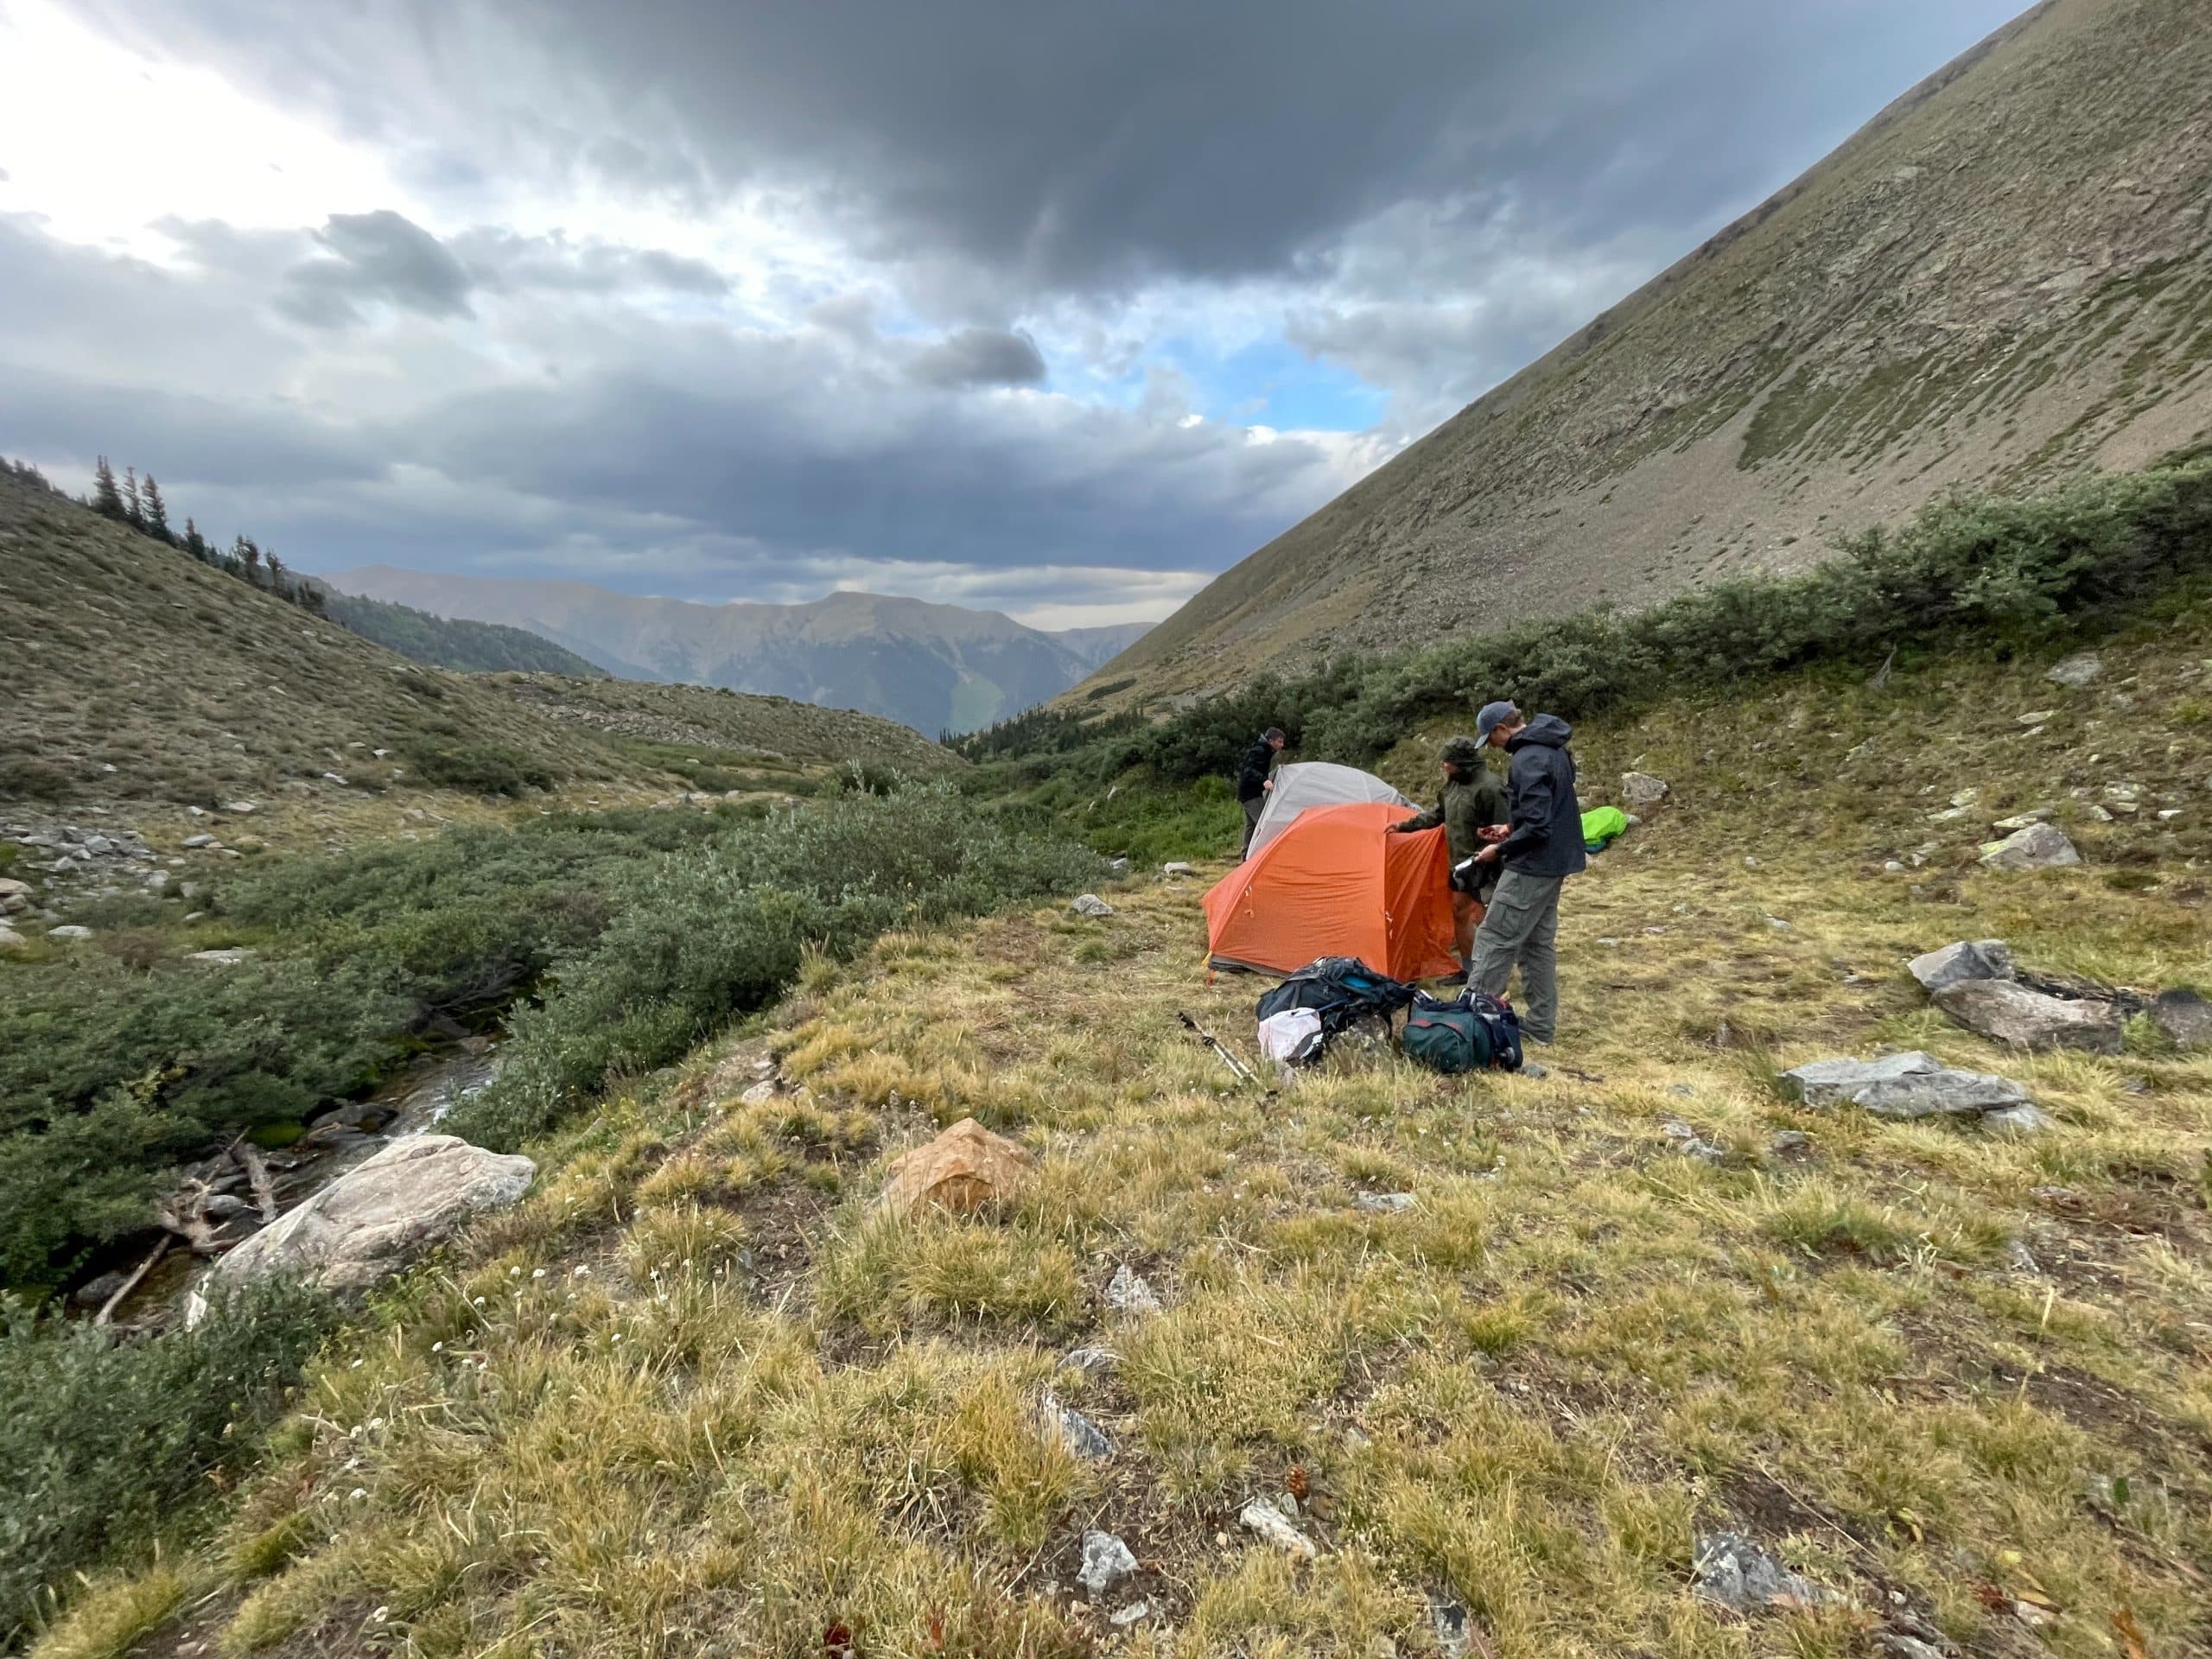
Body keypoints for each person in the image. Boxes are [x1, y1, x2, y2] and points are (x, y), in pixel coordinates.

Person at [1463, 700, 1585, 1045]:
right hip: (1556, 862)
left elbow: (1538, 827)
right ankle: (1541, 1026)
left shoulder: (1527, 758)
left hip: (1532, 865)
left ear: (1502, 729)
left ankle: (1472, 1023)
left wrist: (1499, 849)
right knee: (1536, 944)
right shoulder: (1552, 747)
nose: (1493, 747)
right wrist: (1510, 827)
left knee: (1495, 936)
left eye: (1491, 739)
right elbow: (1547, 808)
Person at [1387, 734, 1507, 976]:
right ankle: (1469, 968)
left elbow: (1506, 829)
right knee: (1459, 913)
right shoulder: (1452, 784)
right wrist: (1404, 826)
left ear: (1461, 762)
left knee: (1488, 919)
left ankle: (1493, 974)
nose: (1443, 765)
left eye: (1447, 761)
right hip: (1460, 864)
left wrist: (1496, 856)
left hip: (1487, 864)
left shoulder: (1491, 787)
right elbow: (1438, 814)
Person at [1236, 728, 1287, 857]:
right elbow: (1248, 769)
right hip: (1251, 794)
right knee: (1263, 823)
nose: (1282, 745)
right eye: (1279, 742)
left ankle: (1246, 856)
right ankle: (1264, 856)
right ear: (1270, 741)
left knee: (1251, 826)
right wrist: (1264, 780)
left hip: (1248, 793)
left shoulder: (1265, 750)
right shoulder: (1260, 751)